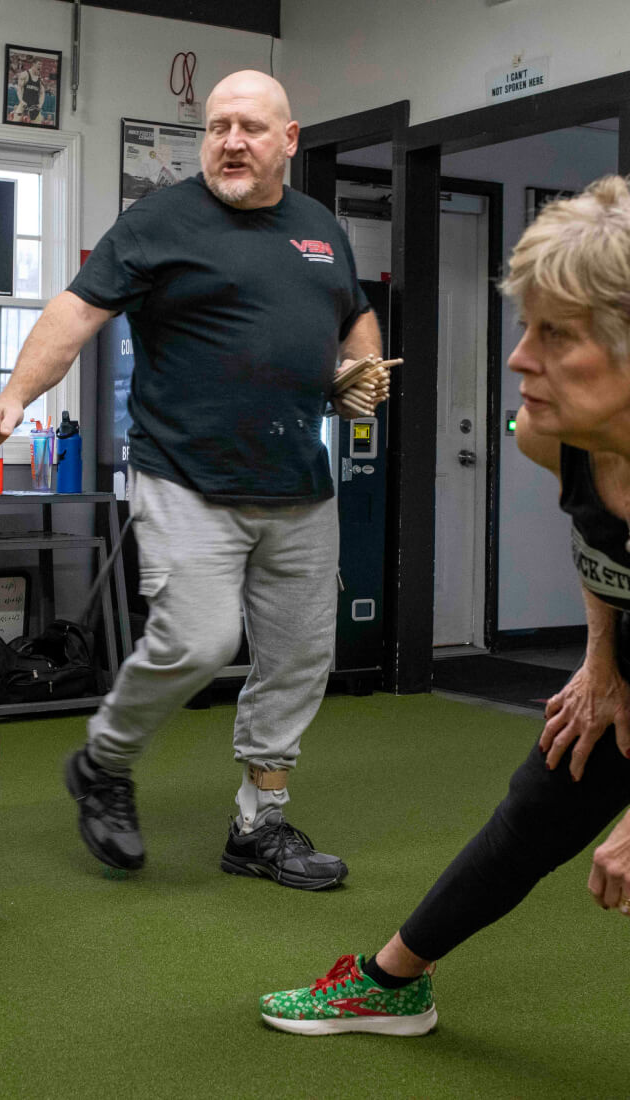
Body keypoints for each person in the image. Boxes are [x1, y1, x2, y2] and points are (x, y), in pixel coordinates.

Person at [0, 70, 387, 889]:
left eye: (249, 128)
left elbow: (352, 318)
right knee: (200, 640)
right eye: (217, 127)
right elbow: (75, 313)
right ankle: (105, 761)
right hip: (186, 474)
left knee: (301, 658)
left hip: (298, 483)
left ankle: (258, 828)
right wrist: (14, 398)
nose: (231, 142)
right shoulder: (157, 220)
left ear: (289, 140)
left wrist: (362, 371)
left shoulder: (320, 229)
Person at [260, 175, 630, 1035]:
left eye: (556, 336)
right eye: (524, 326)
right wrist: (602, 660)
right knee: (546, 800)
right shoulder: (550, 436)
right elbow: (599, 549)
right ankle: (391, 985)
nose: (517, 360)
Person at [13, 58, 45, 123]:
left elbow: (42, 93)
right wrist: (21, 101)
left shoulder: (40, 79)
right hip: (24, 104)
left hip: (35, 106)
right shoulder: (25, 74)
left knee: (38, 126)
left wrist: (40, 105)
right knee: (15, 122)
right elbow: (19, 89)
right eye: (39, 64)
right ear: (33, 64)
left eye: (41, 65)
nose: (40, 66)